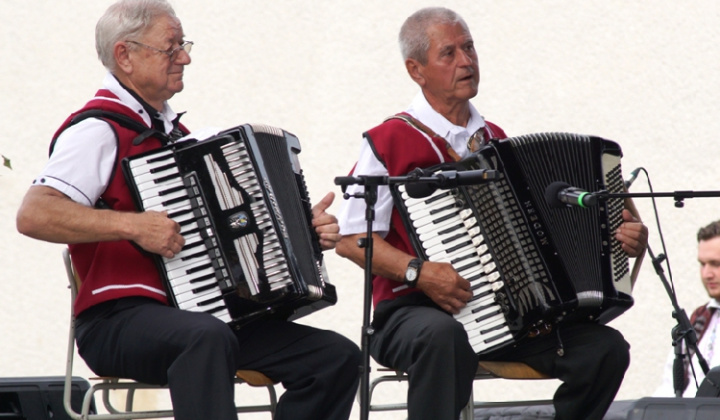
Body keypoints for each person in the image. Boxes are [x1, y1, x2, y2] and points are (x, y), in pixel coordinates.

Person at [15, 1, 360, 420]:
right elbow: (35, 214)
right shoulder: (97, 129)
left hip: (200, 319)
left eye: (184, 44)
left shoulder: (177, 138)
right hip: (116, 321)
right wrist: (133, 226)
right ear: (125, 55)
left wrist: (302, 234)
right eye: (171, 47)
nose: (185, 57)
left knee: (335, 357)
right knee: (205, 338)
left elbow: (233, 233)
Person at [336, 7, 648, 420]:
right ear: (416, 70)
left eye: (469, 48)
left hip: (508, 316)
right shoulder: (388, 140)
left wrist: (619, 239)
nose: (466, 61)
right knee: (442, 337)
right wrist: (420, 272)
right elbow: (350, 240)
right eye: (449, 53)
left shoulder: (496, 141)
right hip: (411, 313)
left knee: (604, 350)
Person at [654, 220, 720, 397]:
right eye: (703, 264)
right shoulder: (700, 317)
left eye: (716, 264)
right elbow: (668, 388)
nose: (707, 274)